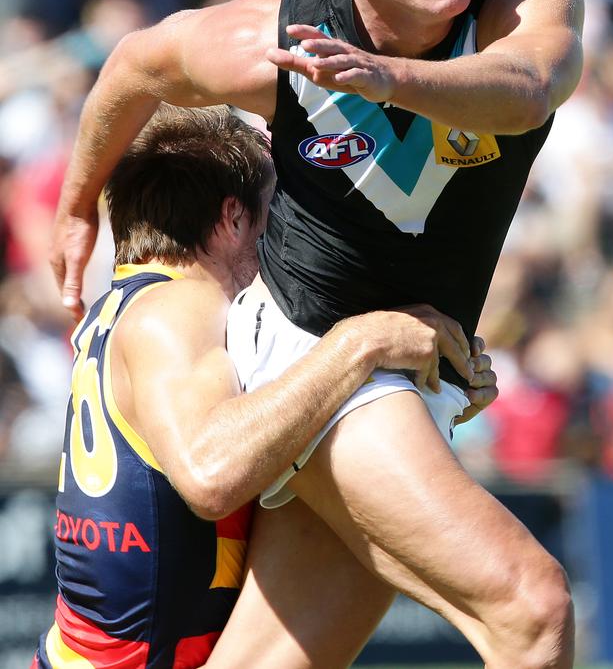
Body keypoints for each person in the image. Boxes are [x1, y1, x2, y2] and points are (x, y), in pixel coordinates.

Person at [51, 0, 584, 665]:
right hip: (308, 349)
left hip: (405, 376)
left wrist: (386, 78)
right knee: (533, 607)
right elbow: (136, 65)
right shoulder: (281, 41)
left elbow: (525, 88)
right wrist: (78, 206)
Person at [37, 104, 498, 668]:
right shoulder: (177, 306)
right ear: (233, 217)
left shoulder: (135, 303)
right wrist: (363, 342)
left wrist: (428, 394)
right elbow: (211, 475)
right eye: (278, 210)